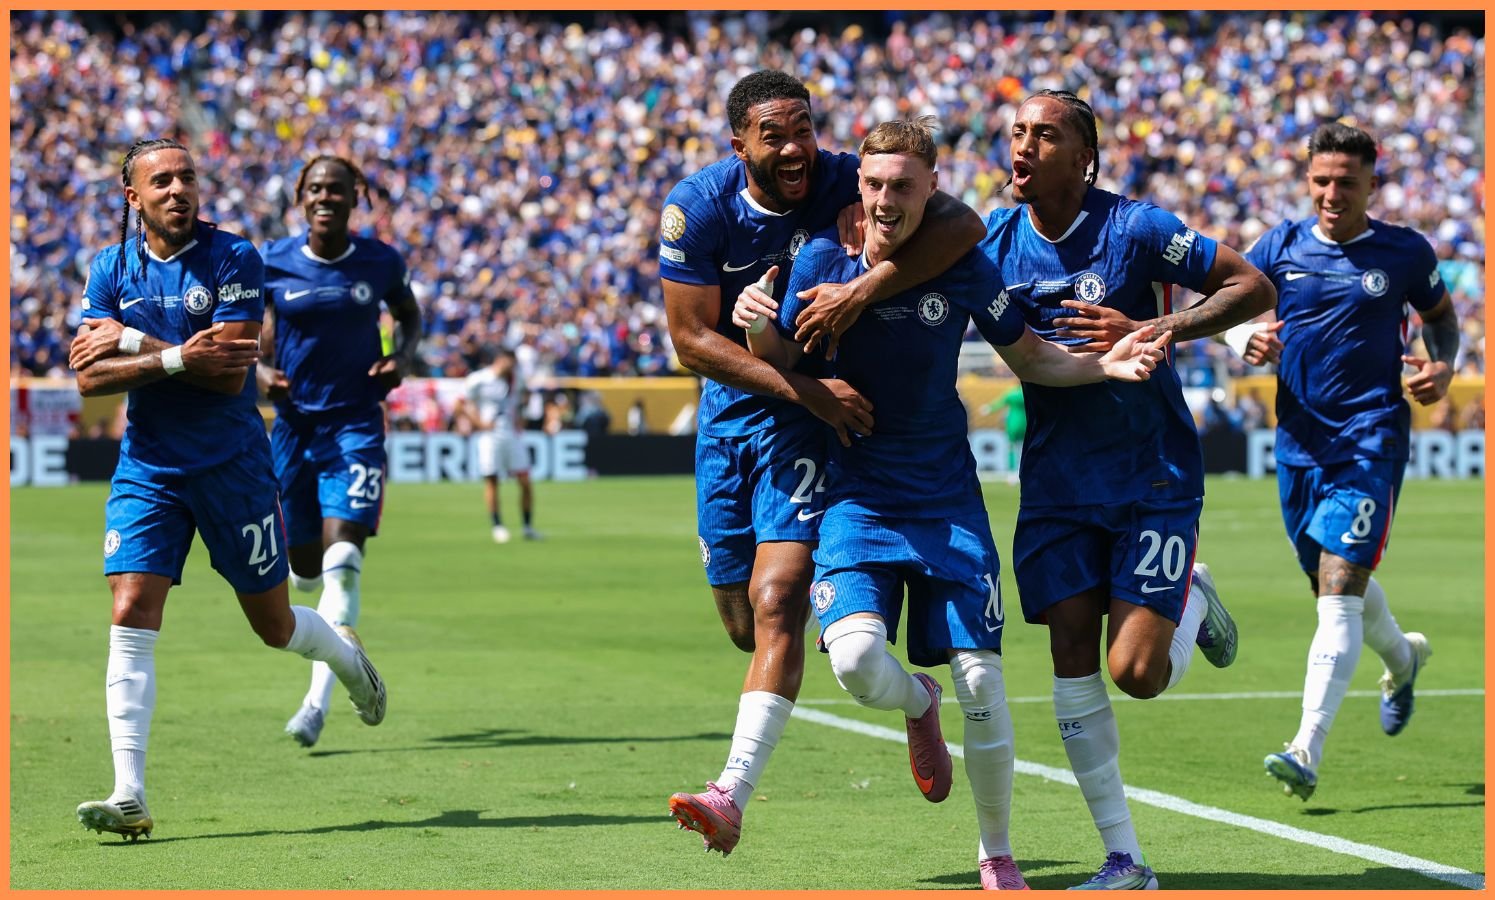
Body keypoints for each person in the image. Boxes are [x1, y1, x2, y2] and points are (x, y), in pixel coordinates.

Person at [732, 117, 1169, 890]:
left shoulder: (962, 268)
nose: (885, 200)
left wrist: (1107, 364)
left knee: (984, 683)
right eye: (873, 185)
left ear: (931, 188)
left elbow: (1031, 357)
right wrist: (757, 327)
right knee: (861, 664)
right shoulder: (819, 263)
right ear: (858, 188)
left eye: (902, 186)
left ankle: (995, 853)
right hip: (857, 499)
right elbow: (786, 362)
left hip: (946, 503)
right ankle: (914, 699)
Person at [660, 70, 986, 857]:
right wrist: (806, 389)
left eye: (802, 127)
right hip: (734, 424)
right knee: (743, 624)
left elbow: (962, 224)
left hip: (804, 432)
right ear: (738, 143)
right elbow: (689, 341)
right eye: (773, 135)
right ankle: (914, 698)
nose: (794, 147)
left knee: (777, 602)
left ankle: (729, 792)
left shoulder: (846, 174)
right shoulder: (697, 207)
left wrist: (862, 289)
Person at [979, 90, 1276, 888]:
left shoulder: (1135, 229)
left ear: (1085, 158)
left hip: (1151, 474)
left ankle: (1192, 595)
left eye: (1044, 135)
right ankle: (1124, 859)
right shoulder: (990, 244)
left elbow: (1250, 285)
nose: (1024, 146)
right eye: (1016, 133)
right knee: (1070, 658)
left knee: (1135, 674)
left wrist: (1161, 327)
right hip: (1053, 484)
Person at [67, 138, 387, 839]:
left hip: (232, 464)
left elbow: (227, 369)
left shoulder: (235, 256)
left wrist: (130, 344)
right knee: (129, 604)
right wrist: (178, 351)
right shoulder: (109, 268)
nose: (179, 190)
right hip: (148, 466)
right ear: (133, 197)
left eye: (187, 178)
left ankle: (343, 653)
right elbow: (88, 380)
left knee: (273, 627)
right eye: (163, 182)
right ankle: (130, 793)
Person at [1226, 122, 1459, 801]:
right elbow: (1232, 309)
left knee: (1336, 591)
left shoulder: (1403, 252)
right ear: (1308, 180)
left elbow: (1441, 319)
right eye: (1321, 180)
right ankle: (1404, 658)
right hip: (1297, 442)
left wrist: (1443, 368)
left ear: (1370, 186)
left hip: (1369, 437)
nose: (1332, 193)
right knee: (1332, 586)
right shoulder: (1280, 246)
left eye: (1346, 183)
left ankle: (1305, 748)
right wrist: (1245, 336)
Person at [257, 155, 421, 749]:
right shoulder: (270, 262)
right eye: (315, 189)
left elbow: (409, 316)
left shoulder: (380, 261)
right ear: (300, 197)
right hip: (294, 430)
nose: (326, 197)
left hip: (356, 426)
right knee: (303, 570)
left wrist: (401, 359)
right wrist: (258, 371)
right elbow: (245, 332)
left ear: (356, 198)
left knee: (343, 559)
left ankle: (318, 703)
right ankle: (321, 605)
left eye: (337, 189)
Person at [455, 347, 541, 542]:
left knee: (525, 481)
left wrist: (521, 417)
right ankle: (497, 525)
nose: (513, 367)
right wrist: (478, 423)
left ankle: (527, 527)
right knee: (492, 480)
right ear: (501, 360)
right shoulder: (479, 379)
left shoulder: (515, 379)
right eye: (511, 362)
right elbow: (459, 404)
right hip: (489, 435)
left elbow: (524, 398)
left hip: (511, 433)